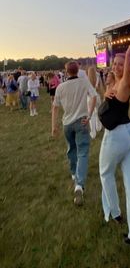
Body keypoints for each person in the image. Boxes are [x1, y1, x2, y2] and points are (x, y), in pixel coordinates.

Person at [98, 13, 130, 255]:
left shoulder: (125, 82)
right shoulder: (113, 86)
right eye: (116, 64)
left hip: (118, 136)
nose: (119, 66)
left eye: (122, 64)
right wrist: (105, 94)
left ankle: (113, 212)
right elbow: (107, 103)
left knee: (105, 172)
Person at [52, 61, 97, 206]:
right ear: (78, 70)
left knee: (71, 148)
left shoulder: (61, 87)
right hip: (81, 121)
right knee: (82, 152)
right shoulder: (83, 82)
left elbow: (55, 108)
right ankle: (79, 184)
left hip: (67, 124)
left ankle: (74, 174)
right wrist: (89, 115)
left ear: (66, 72)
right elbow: (94, 97)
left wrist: (54, 126)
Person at [87, 66, 103, 139]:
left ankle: (93, 133)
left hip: (90, 98)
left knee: (91, 115)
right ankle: (98, 127)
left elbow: (86, 91)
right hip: (97, 96)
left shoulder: (86, 79)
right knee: (98, 112)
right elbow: (100, 88)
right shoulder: (98, 77)